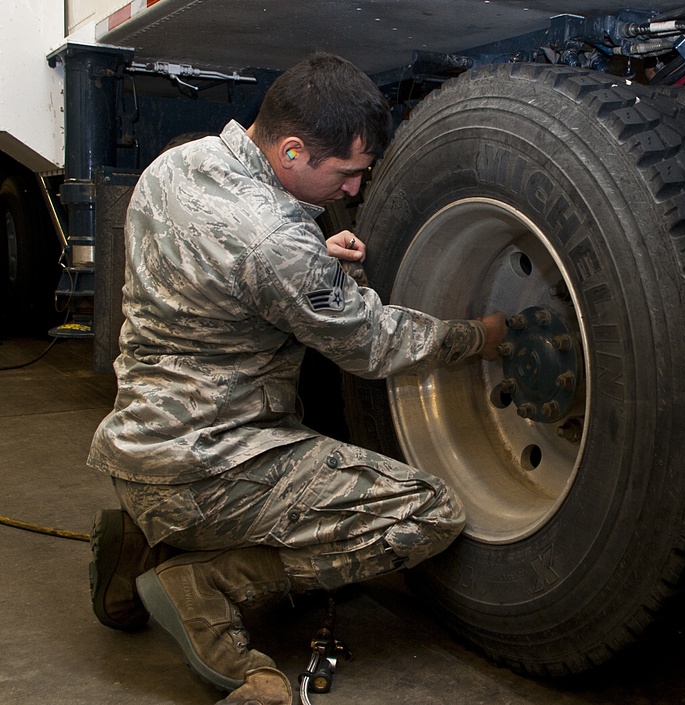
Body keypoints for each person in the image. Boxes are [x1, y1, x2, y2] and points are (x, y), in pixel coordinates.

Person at [86, 52, 507, 705]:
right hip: (213, 471)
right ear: (289, 150)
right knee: (429, 511)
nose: (354, 192)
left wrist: (312, 260)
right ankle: (207, 584)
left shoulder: (176, 166)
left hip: (136, 444)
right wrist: (479, 337)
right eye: (346, 174)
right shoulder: (276, 240)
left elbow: (230, 271)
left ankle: (142, 535)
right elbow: (373, 344)